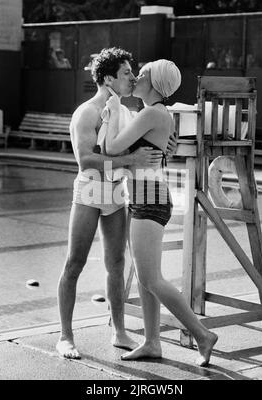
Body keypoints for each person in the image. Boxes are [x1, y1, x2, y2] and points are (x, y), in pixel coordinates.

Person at [56, 48, 177, 359]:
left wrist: (166, 147)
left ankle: (119, 331)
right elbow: (86, 161)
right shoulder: (87, 112)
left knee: (117, 265)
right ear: (108, 78)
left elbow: (148, 147)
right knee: (75, 263)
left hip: (116, 194)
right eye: (126, 73)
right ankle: (66, 336)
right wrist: (130, 158)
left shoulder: (128, 112)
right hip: (90, 192)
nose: (132, 77)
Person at [104, 59, 218, 367]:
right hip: (148, 195)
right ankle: (152, 342)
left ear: (154, 84)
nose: (136, 77)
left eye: (142, 74)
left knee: (152, 278)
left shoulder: (151, 113)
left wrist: (112, 109)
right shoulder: (157, 114)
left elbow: (112, 148)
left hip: (149, 199)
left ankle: (201, 334)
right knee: (144, 277)